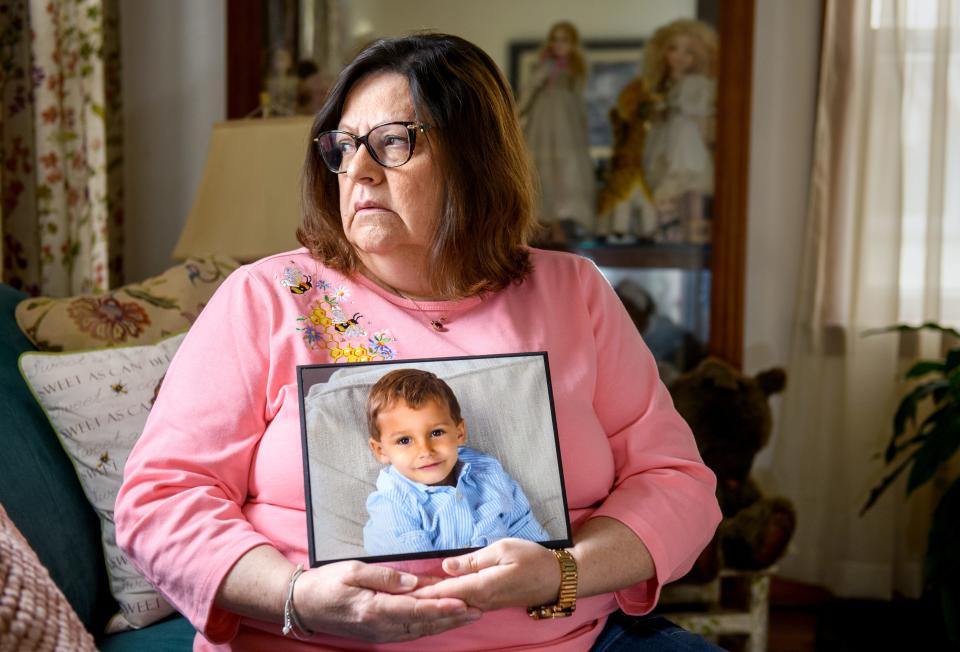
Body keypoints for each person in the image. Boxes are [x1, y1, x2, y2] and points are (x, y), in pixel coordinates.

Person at [115, 32, 722, 651]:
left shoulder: (574, 292)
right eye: (344, 146)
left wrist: (564, 573)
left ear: (473, 155)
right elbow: (160, 499)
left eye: (393, 142)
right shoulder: (266, 296)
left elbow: (677, 483)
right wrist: (296, 595)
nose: (358, 169)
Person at [363, 368, 550, 555]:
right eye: (404, 440)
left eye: (436, 433)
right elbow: (418, 568)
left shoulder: (488, 473)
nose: (426, 451)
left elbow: (523, 527)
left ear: (459, 433)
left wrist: (543, 561)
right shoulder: (392, 504)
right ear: (381, 450)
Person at [597, 19, 717, 243]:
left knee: (686, 188)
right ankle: (667, 232)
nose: (679, 57)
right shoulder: (660, 86)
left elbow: (699, 116)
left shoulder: (697, 85)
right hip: (663, 140)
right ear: (662, 52)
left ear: (699, 57)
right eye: (673, 49)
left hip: (683, 142)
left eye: (688, 52)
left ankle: (691, 232)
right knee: (661, 191)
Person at [519, 21, 597, 241]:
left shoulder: (574, 69)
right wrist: (516, 115)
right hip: (545, 121)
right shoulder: (546, 65)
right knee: (543, 169)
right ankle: (545, 224)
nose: (559, 44)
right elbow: (529, 92)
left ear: (573, 44)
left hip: (567, 124)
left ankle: (560, 224)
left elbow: (580, 101)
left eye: (564, 40)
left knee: (566, 170)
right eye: (555, 39)